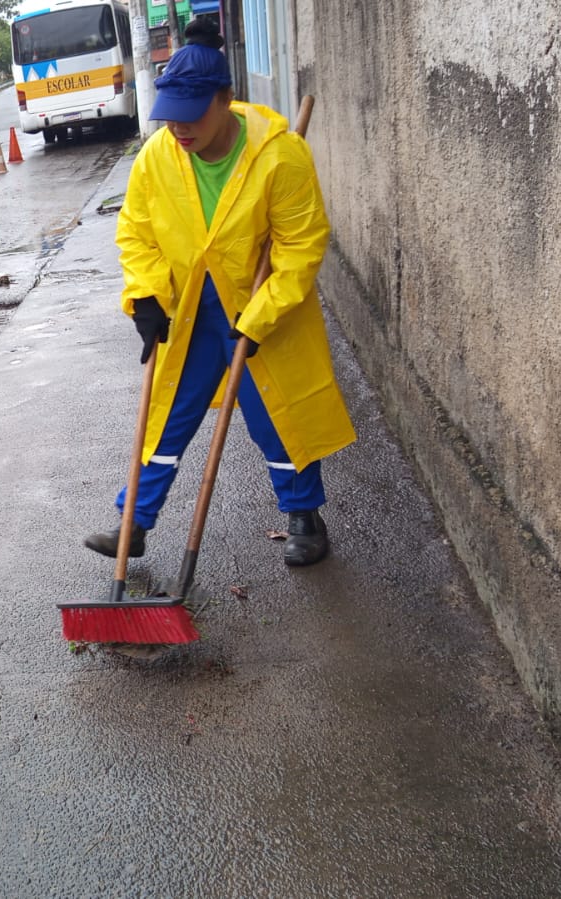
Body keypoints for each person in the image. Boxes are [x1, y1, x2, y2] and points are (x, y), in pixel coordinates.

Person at [83, 33, 356, 567]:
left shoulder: (279, 156)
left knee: (275, 415)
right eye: (170, 115)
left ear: (225, 99)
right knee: (166, 414)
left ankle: (304, 516)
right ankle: (134, 522)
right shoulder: (158, 156)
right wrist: (145, 296)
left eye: (190, 114)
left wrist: (260, 318)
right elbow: (137, 232)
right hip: (189, 310)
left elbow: (301, 247)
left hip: (257, 308)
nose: (178, 128)